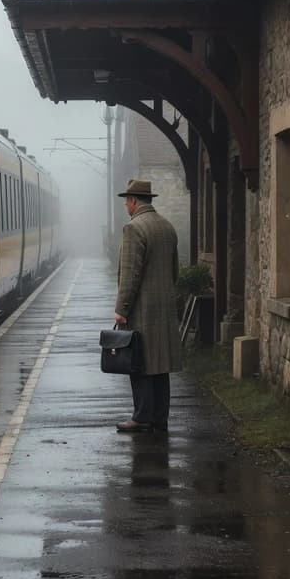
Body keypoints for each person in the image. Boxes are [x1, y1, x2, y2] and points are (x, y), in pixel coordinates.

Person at [113, 178, 179, 433]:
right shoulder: (167, 227)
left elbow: (130, 275)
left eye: (126, 202)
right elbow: (174, 271)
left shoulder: (134, 229)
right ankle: (159, 417)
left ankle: (141, 417)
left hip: (142, 308)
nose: (125, 207)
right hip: (164, 306)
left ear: (133, 201)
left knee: (139, 363)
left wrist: (122, 310)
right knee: (160, 365)